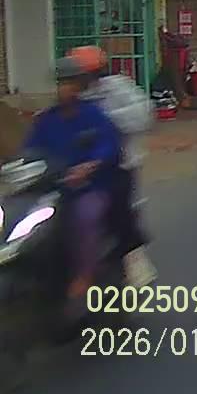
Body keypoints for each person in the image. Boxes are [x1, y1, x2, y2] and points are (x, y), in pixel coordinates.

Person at [23, 57, 123, 305]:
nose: (64, 88)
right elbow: (30, 150)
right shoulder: (47, 119)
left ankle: (84, 274)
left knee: (85, 218)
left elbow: (109, 145)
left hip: (89, 188)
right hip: (52, 189)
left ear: (79, 86)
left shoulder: (93, 115)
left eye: (69, 83)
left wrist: (89, 166)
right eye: (61, 83)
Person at [67, 46, 156, 285]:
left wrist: (104, 119)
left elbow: (144, 115)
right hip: (77, 168)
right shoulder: (71, 98)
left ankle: (133, 257)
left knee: (120, 212)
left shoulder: (117, 89)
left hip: (119, 164)